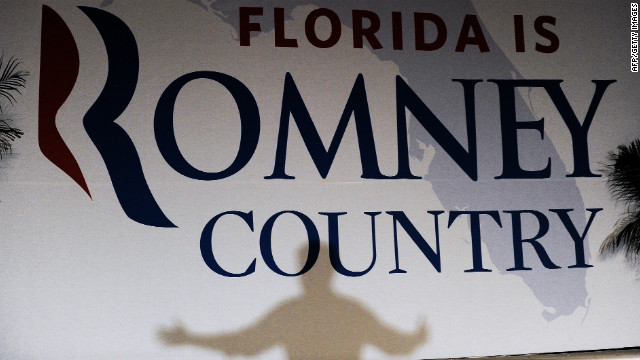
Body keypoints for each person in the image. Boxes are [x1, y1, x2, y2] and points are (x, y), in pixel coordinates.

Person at [159, 244, 427, 359]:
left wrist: (190, 339)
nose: (306, 273)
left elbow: (245, 343)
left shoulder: (296, 313)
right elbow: (244, 343)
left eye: (310, 267)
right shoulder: (346, 311)